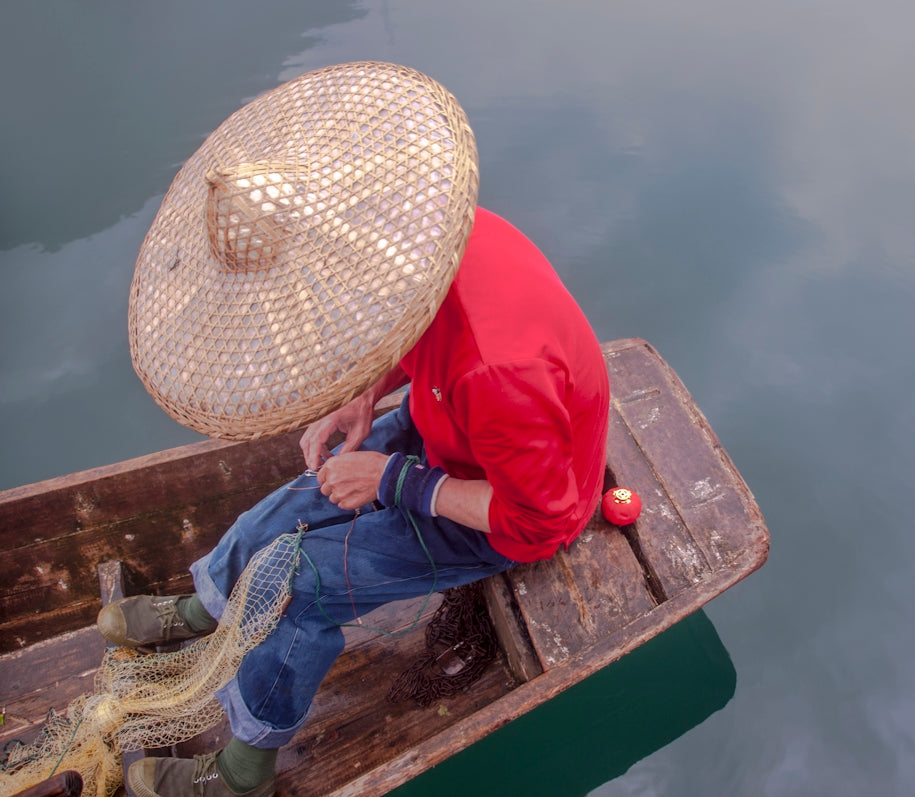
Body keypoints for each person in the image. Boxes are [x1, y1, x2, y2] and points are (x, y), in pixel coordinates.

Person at [104, 63, 609, 797]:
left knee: (298, 583)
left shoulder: (497, 372)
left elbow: (540, 516)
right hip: (456, 428)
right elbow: (408, 326)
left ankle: (244, 769)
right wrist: (364, 398)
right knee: (297, 498)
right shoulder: (413, 251)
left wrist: (392, 479)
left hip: (507, 502)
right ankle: (204, 604)